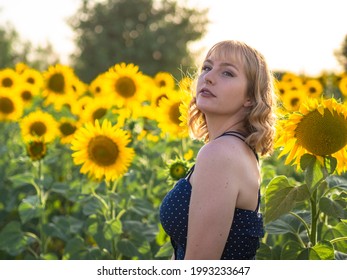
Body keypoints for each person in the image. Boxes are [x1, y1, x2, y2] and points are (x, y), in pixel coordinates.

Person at [159, 40, 276, 260]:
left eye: (228, 73)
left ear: (250, 97)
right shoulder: (236, 149)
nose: (209, 77)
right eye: (206, 67)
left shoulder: (221, 154)